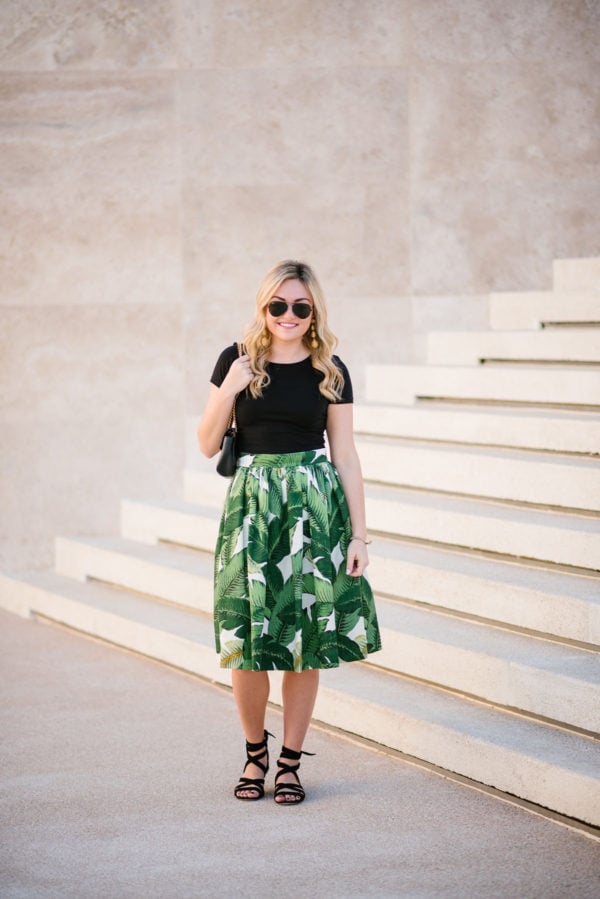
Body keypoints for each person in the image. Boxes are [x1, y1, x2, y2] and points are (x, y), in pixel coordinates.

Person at [197, 260, 381, 805]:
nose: (289, 316)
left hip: (315, 510)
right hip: (251, 510)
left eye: (301, 307)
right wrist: (230, 388)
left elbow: (345, 456)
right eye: (278, 305)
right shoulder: (236, 360)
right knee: (248, 640)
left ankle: (291, 764)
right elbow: (207, 443)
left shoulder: (330, 368)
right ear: (263, 307)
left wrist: (358, 537)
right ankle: (254, 753)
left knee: (307, 642)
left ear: (314, 311)